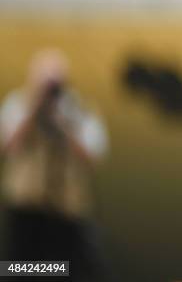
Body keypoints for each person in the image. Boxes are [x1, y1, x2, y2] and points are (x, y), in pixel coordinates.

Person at [0, 49, 107, 281]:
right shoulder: (17, 105)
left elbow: (92, 157)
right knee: (18, 271)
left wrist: (64, 124)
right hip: (26, 212)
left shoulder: (79, 110)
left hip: (67, 212)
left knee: (69, 271)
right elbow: (8, 147)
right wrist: (34, 110)